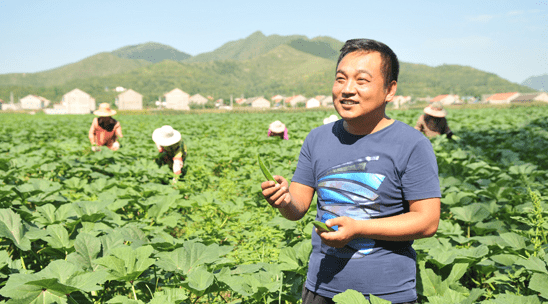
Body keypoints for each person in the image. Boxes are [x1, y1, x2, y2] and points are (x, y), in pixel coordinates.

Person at [261, 39, 441, 304]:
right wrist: (283, 199)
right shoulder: (317, 139)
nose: (347, 90)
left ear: (390, 90)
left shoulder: (412, 143)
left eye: (362, 80)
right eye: (340, 79)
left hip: (386, 294)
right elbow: (297, 208)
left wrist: (358, 228)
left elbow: (427, 221)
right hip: (321, 288)